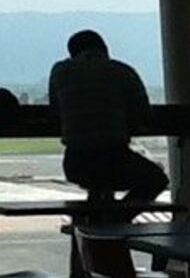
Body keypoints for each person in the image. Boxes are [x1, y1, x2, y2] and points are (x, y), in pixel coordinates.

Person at [49, 29, 168, 205]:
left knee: (97, 182)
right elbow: (144, 117)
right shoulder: (123, 72)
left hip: (75, 162)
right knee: (156, 180)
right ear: (104, 49)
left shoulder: (60, 72)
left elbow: (55, 110)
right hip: (114, 159)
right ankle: (117, 217)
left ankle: (97, 216)